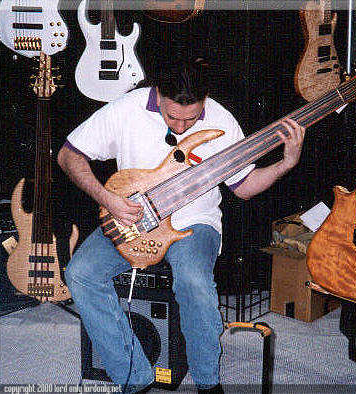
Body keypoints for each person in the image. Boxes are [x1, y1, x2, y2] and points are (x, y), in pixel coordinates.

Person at [57, 58, 306, 393]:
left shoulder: (222, 121)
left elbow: (244, 186)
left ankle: (207, 382)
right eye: (172, 116)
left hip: (195, 222)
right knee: (80, 273)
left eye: (191, 118)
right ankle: (133, 377)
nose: (180, 126)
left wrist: (285, 163)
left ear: (204, 102)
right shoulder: (127, 108)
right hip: (130, 216)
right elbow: (69, 155)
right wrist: (107, 198)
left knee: (193, 282)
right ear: (157, 94)